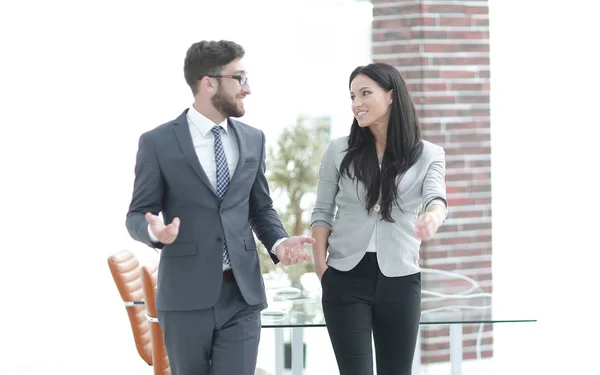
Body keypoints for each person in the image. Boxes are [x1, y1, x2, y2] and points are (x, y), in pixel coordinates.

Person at [125, 40, 314, 375]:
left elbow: (261, 207)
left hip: (242, 295)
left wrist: (279, 242)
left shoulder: (253, 138)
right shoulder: (158, 143)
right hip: (185, 298)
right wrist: (154, 231)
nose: (248, 88)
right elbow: (137, 214)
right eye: (238, 78)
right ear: (208, 82)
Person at [310, 62, 448, 375]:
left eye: (365, 93)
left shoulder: (429, 154)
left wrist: (433, 217)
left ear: (390, 96)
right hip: (345, 278)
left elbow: (436, 198)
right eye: (352, 95)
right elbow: (322, 211)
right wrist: (322, 268)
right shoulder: (338, 151)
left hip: (400, 281)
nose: (356, 102)